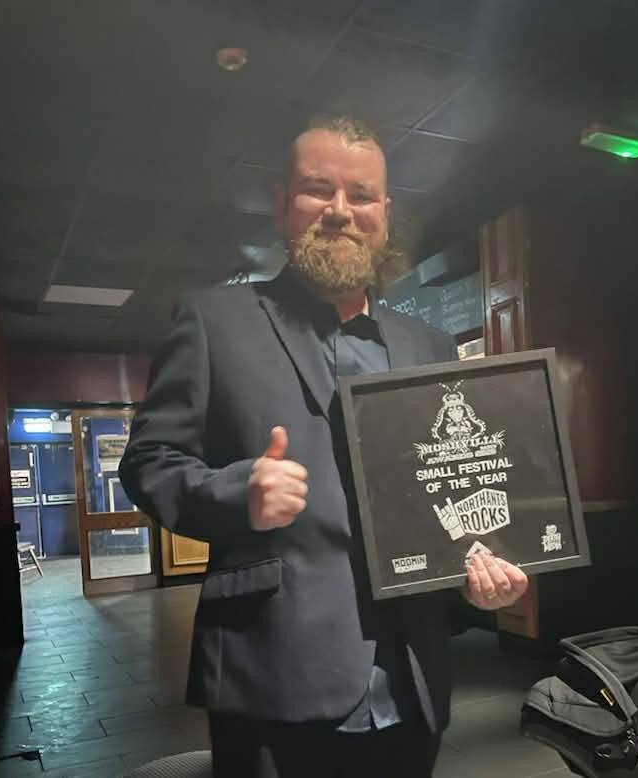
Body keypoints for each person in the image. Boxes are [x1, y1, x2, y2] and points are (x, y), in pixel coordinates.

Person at [119, 116, 528, 778]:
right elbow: (148, 462)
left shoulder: (429, 346)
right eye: (318, 190)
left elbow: (446, 486)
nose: (340, 211)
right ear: (283, 205)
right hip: (272, 676)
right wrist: (235, 493)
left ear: (384, 214)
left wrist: (477, 579)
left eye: (361, 195)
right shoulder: (213, 322)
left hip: (411, 678)